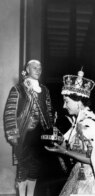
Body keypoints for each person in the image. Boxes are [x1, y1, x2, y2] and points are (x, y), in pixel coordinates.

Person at [3, 60, 53, 196]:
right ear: (27, 69)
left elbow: (48, 112)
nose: (38, 70)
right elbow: (9, 113)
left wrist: (50, 131)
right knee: (23, 168)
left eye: (40, 67)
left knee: (35, 168)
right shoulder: (18, 89)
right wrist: (13, 135)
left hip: (40, 136)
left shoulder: (45, 90)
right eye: (34, 67)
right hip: (23, 134)